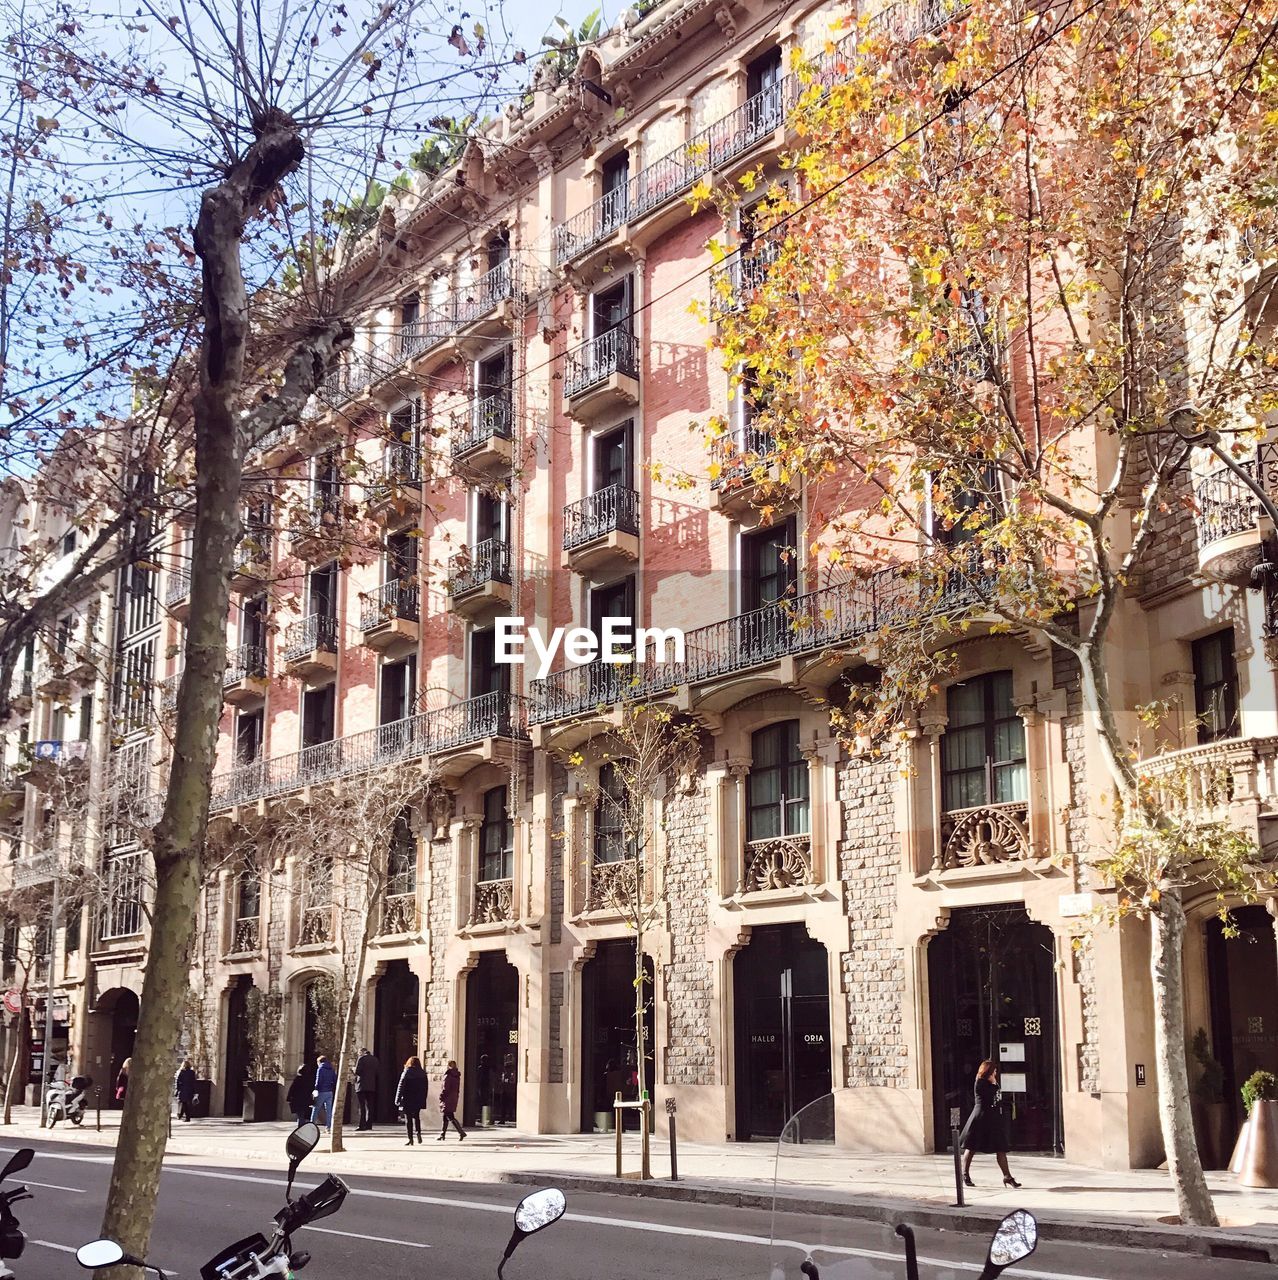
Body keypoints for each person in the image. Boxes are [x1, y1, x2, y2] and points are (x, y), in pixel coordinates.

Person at [960, 1059, 1021, 1188]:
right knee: (971, 1147)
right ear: (988, 1070)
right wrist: (994, 1084)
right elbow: (988, 1097)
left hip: (992, 1119)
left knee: (1001, 1148)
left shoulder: (991, 1083)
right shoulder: (980, 1082)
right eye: (994, 1070)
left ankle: (1007, 1176)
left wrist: (994, 1084)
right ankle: (964, 1174)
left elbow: (997, 1097)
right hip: (980, 1117)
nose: (996, 1073)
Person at [395, 1055, 427, 1145]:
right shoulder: (423, 1073)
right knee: (416, 1117)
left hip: (407, 1097)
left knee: (408, 1119)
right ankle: (418, 1134)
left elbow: (400, 1087)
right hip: (418, 1098)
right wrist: (423, 1098)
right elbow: (425, 1088)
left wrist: (397, 1099)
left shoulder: (406, 1072)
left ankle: (410, 1139)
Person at [438, 1059, 466, 1141]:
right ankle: (442, 1134)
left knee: (450, 1116)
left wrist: (441, 1096)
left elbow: (445, 1088)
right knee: (445, 1116)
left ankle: (461, 1132)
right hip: (453, 1097)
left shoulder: (448, 1075)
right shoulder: (456, 1075)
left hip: (447, 1098)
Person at [353, 1047, 379, 1131]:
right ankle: (369, 1125)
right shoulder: (375, 1059)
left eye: (359, 1052)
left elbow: (357, 1071)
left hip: (361, 1085)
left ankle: (362, 1125)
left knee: (362, 1106)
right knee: (370, 1106)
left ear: (362, 1052)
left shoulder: (361, 1059)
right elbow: (377, 1072)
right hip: (371, 1085)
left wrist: (353, 1069)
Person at [312, 1054, 337, 1129]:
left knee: (316, 1108)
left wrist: (316, 1089)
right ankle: (328, 1127)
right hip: (329, 1091)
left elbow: (318, 1080)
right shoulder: (331, 1069)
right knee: (329, 1110)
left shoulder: (320, 1069)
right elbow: (335, 1080)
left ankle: (312, 1125)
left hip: (321, 1091)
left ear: (319, 1062)